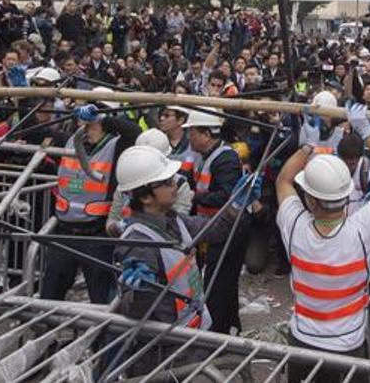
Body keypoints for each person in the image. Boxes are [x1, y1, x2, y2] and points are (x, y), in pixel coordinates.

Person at [274, 104, 370, 383]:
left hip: (302, 342)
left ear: (310, 199)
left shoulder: (294, 227)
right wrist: (367, 132)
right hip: (347, 345)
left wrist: (308, 145)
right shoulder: (361, 231)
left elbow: (283, 180)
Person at [112, 144, 260, 375]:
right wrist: (141, 291)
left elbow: (215, 229)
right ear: (145, 196)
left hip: (191, 337)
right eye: (167, 182)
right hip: (163, 354)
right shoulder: (139, 243)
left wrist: (237, 204)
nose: (176, 185)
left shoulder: (174, 221)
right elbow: (134, 310)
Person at [40, 102, 141, 304]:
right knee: (50, 294)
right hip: (64, 231)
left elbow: (134, 131)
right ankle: (47, 332)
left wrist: (101, 117)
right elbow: (37, 131)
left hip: (96, 235)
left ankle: (99, 336)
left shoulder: (116, 145)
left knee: (100, 297)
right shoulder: (71, 140)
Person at [183, 106, 247, 334]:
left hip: (228, 229)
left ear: (206, 134)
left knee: (218, 285)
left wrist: (195, 197)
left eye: (192, 132)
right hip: (211, 228)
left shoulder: (225, 159)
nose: (188, 137)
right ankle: (230, 327)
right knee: (220, 284)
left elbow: (227, 196)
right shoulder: (205, 157)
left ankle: (219, 332)